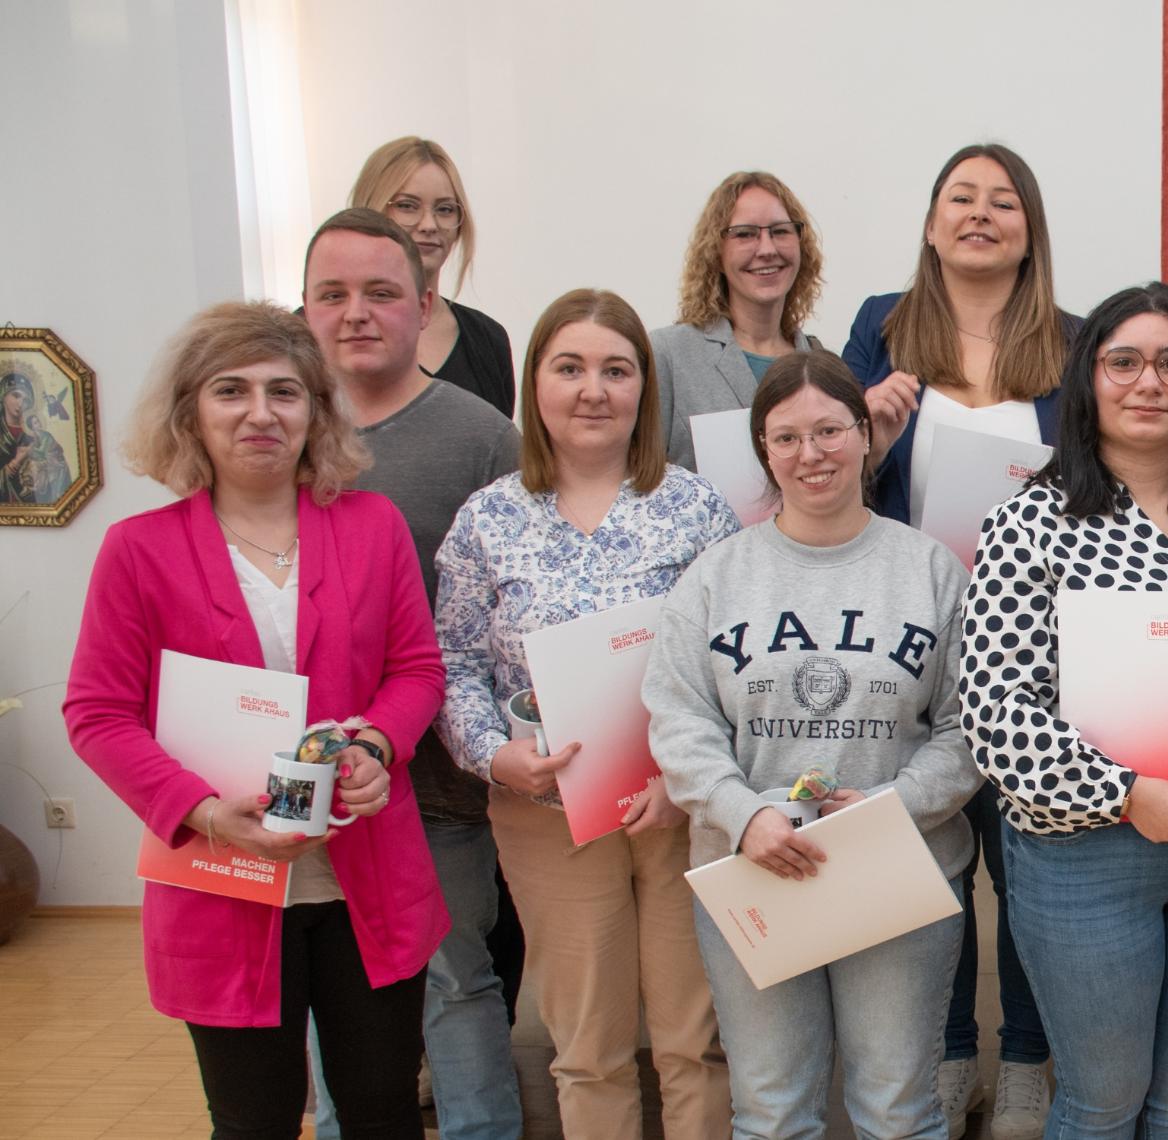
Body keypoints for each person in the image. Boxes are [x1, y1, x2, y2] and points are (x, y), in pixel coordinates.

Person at [64, 300, 447, 1138]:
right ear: (191, 414)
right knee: (254, 1122)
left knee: (384, 1109)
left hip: (367, 875)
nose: (260, 413)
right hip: (220, 879)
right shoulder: (138, 551)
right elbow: (97, 714)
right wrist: (204, 814)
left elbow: (415, 669)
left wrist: (379, 743)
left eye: (285, 392)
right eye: (230, 391)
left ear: (315, 410)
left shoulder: (371, 526)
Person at [961, 282, 1168, 1138]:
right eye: (1125, 362)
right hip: (1087, 853)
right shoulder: (1028, 523)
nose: (1151, 381)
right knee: (1104, 1101)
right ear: (1088, 381)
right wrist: (1122, 791)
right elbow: (995, 711)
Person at [644, 351, 979, 1140]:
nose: (811, 454)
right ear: (764, 451)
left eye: (829, 430)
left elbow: (968, 728)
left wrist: (893, 807)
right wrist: (741, 814)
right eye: (786, 438)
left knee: (898, 1111)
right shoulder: (715, 577)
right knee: (770, 1113)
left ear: (866, 435)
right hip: (752, 870)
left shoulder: (930, 568)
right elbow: (679, 718)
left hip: (896, 866)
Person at [433, 289, 737, 1139]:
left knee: (694, 1040)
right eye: (570, 368)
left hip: (680, 809)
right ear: (536, 385)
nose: (593, 389)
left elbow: (730, 662)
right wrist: (495, 756)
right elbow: (449, 659)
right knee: (588, 1048)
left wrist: (688, 778)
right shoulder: (488, 518)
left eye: (616, 369)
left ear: (645, 388)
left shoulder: (696, 508)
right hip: (543, 812)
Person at [842, 141, 1072, 1139]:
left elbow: (1109, 481)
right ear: (933, 222)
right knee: (926, 859)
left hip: (1036, 647)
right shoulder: (879, 328)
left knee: (1027, 865)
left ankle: (1024, 1058)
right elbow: (822, 479)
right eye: (961, 199)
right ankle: (943, 1051)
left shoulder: (1074, 336)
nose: (981, 214)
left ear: (1031, 229)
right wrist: (872, 439)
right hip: (912, 646)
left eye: (1004, 201)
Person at [302, 206, 526, 1139]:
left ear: (425, 303)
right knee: (321, 983)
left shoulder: (481, 438)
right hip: (300, 778)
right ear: (305, 308)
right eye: (333, 294)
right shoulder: (276, 432)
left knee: (454, 977)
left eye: (382, 293)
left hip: (438, 785)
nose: (357, 313)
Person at [653, 171, 827, 473]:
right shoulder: (667, 354)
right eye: (745, 234)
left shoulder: (822, 362)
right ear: (716, 253)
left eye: (780, 231)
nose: (767, 249)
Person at [349, 137, 516, 417]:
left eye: (445, 209)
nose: (429, 225)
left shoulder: (487, 340)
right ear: (370, 210)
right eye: (407, 206)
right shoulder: (309, 333)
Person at [1, 370, 71, 503]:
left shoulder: (37, 434)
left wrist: (52, 464)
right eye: (16, 395)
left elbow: (61, 467)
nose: (21, 403)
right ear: (2, 395)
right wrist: (16, 462)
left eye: (26, 400)